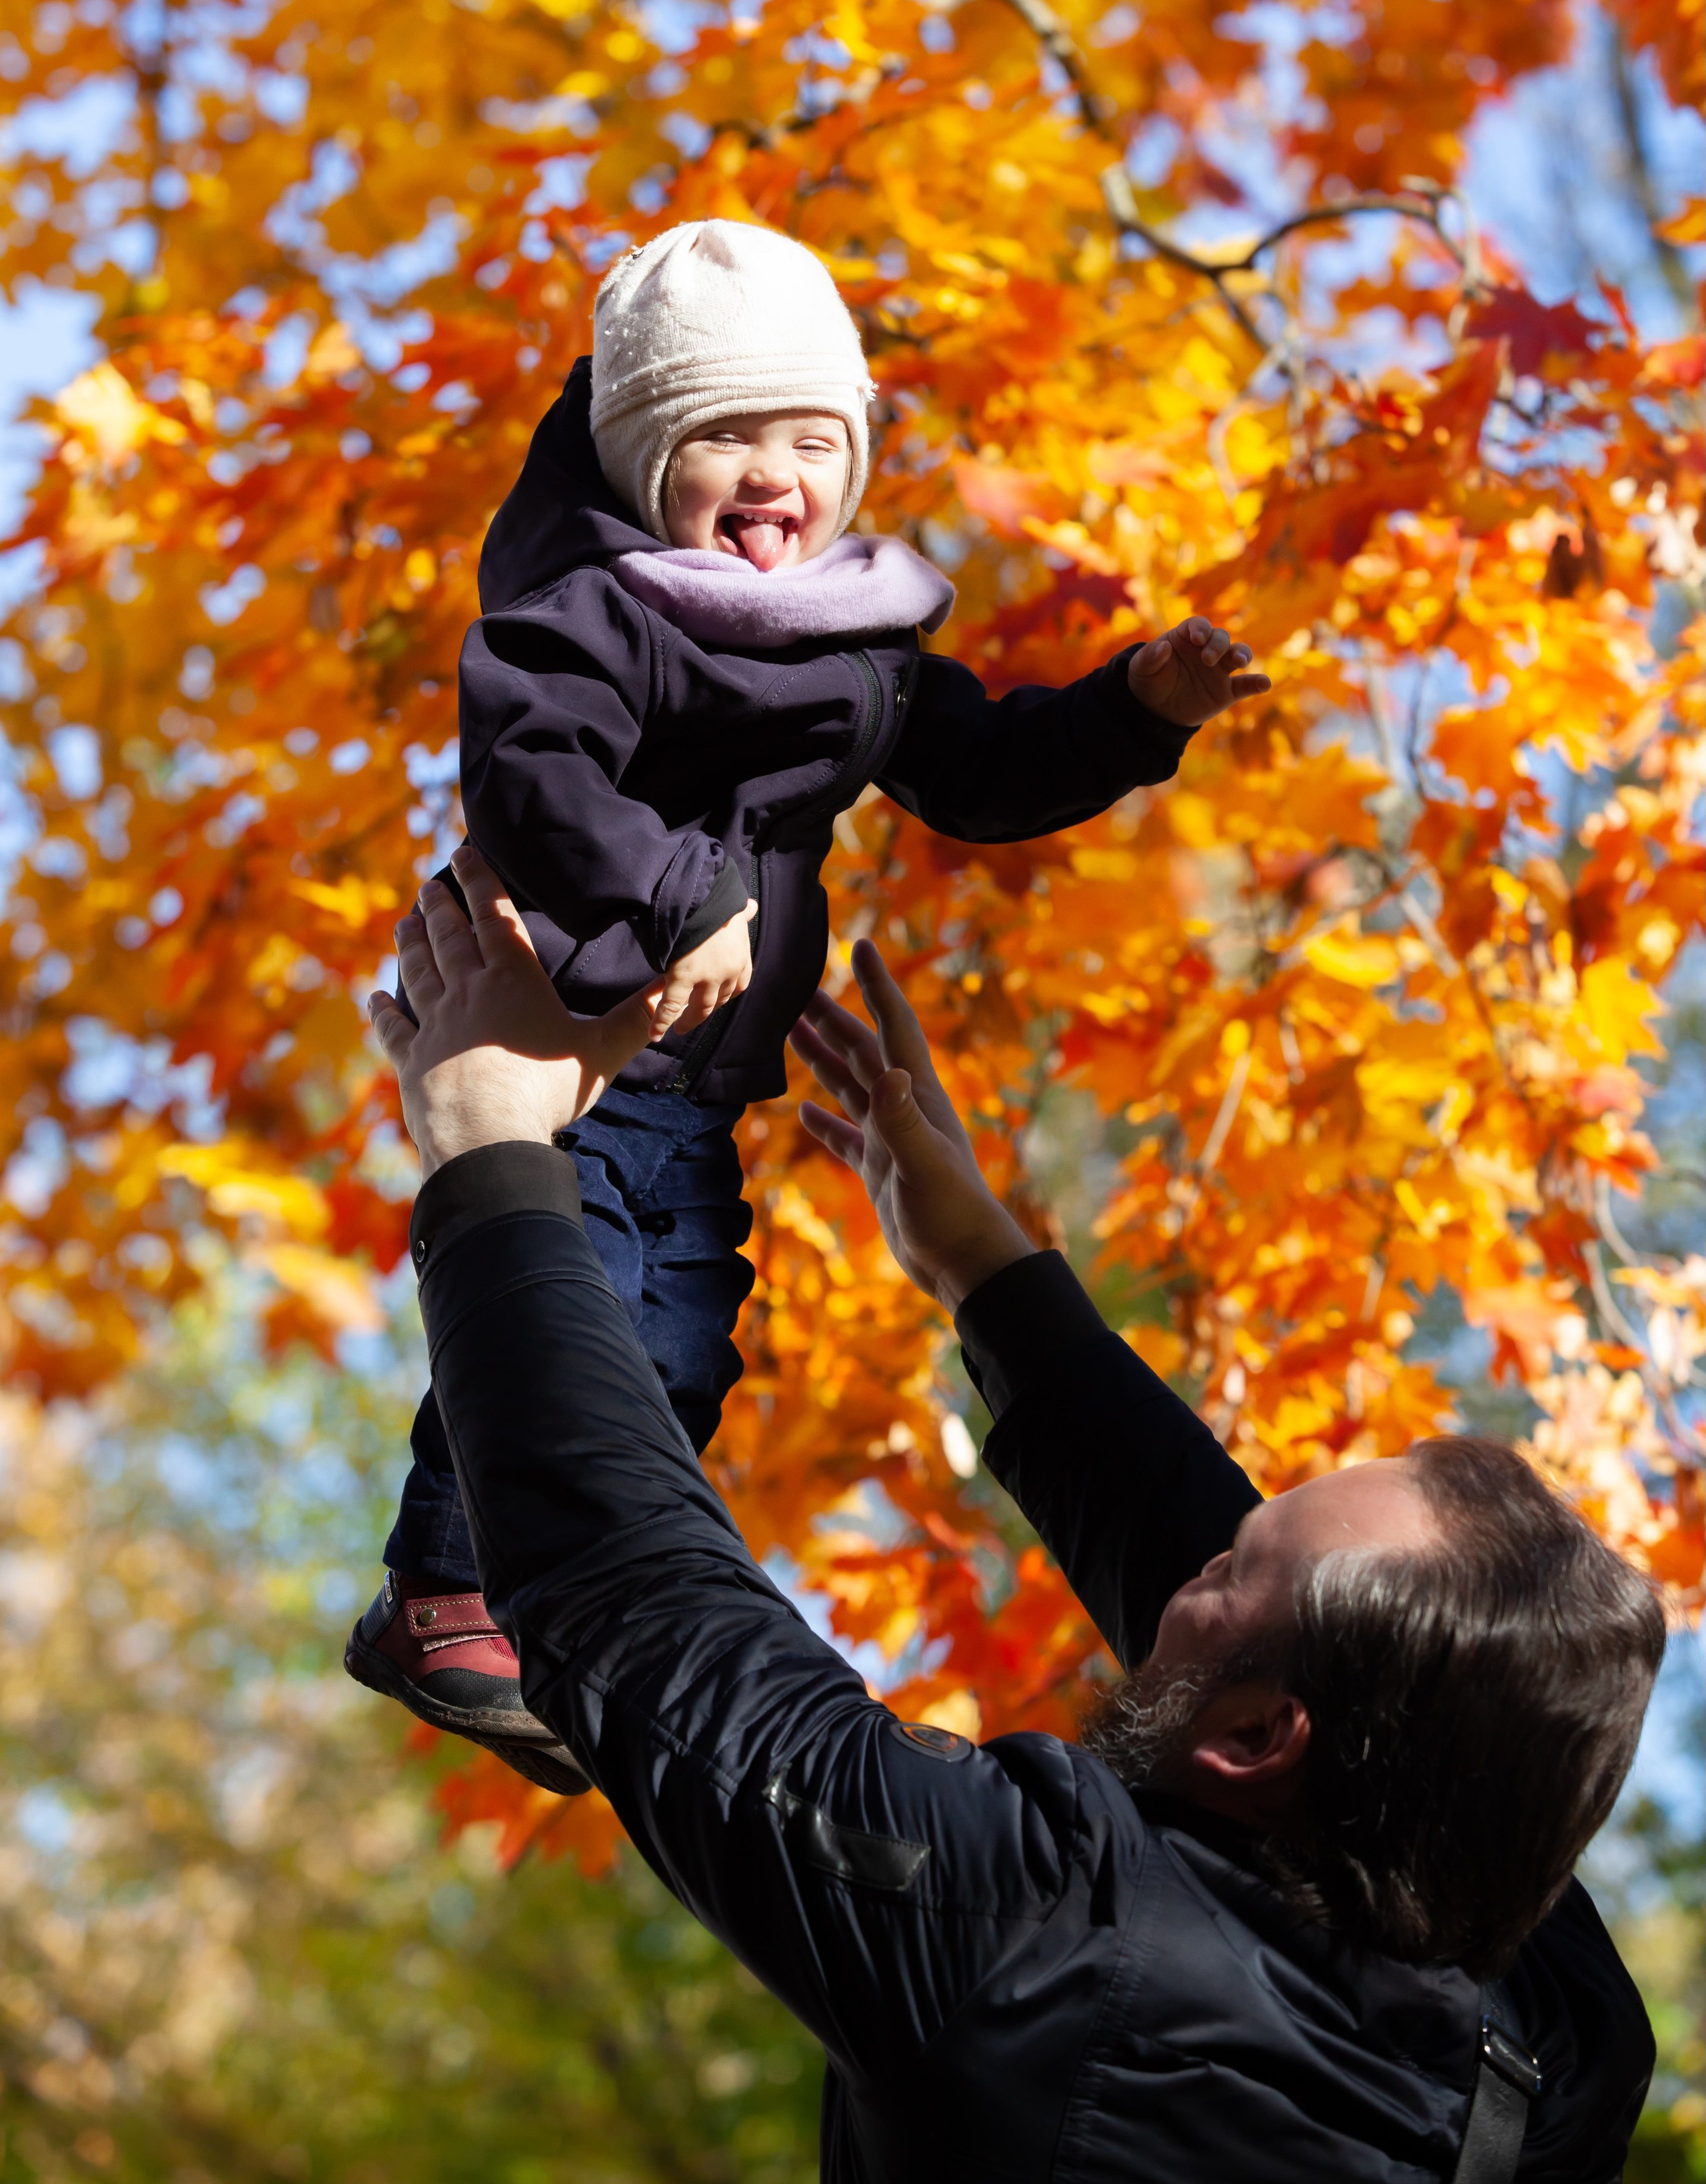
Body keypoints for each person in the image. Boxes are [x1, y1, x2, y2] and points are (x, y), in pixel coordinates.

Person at [365, 849, 1661, 2183]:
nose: (1185, 1570)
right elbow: (1320, 1634)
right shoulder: (1546, 2046)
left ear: (1263, 1738)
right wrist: (983, 1270)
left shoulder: (1038, 1956)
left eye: (1226, 1570)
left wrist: (491, 1152)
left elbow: (647, 1611)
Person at [347, 217, 1272, 1786]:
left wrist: (1130, 710)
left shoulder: (850, 632)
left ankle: (557, 1608)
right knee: (564, 1305)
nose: (771, 469)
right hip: (568, 1038)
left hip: (695, 1081)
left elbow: (977, 778)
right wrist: (674, 896)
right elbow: (527, 775)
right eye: (720, 436)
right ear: (647, 460)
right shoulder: (595, 615)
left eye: (808, 438)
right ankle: (443, 1586)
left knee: (679, 1350)